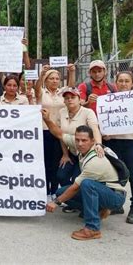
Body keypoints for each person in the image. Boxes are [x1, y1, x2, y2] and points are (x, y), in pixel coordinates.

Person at [46, 125, 126, 241]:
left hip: (116, 196)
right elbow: (58, 133)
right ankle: (98, 209)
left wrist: (55, 203)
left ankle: (93, 228)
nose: (80, 144)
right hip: (102, 188)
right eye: (77, 140)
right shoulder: (81, 147)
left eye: (84, 140)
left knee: (86, 184)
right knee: (61, 192)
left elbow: (75, 188)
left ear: (92, 141)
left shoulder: (95, 160)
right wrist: (46, 118)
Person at [103, 71, 133, 224]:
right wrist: (105, 133)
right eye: (120, 81)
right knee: (113, 176)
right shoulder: (108, 100)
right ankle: (116, 204)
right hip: (113, 142)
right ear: (116, 82)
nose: (123, 84)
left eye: (127, 81)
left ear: (132, 83)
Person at [35, 64, 76, 199]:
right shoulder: (42, 92)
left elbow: (71, 88)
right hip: (44, 131)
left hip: (59, 132)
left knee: (57, 162)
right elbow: (36, 89)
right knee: (45, 162)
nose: (54, 81)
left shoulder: (62, 93)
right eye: (51, 78)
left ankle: (54, 190)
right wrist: (41, 74)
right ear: (46, 80)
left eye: (57, 78)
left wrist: (71, 72)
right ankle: (45, 191)